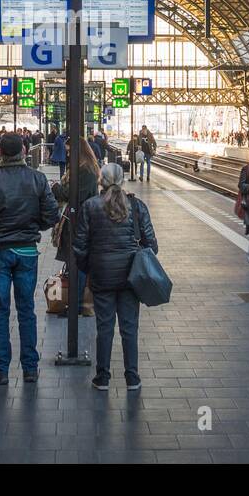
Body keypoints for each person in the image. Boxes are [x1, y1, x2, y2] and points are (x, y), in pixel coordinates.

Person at [0, 133, 59, 385]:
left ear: (0, 153)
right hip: (27, 251)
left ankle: (1, 370)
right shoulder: (38, 179)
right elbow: (52, 216)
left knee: (0, 311)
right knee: (27, 310)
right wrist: (32, 227)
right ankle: (30, 369)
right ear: (25, 151)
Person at [74, 162, 158, 391]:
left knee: (104, 328)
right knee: (129, 329)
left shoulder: (90, 206)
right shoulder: (137, 206)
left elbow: (79, 246)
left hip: (102, 276)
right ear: (122, 180)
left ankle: (102, 377)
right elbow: (152, 245)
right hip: (131, 277)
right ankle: (132, 377)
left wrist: (90, 268)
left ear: (101, 180)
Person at [52, 140, 100, 310]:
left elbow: (72, 195)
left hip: (80, 222)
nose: (66, 154)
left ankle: (78, 303)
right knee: (75, 262)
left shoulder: (85, 171)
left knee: (77, 262)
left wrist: (56, 188)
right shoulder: (82, 168)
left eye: (69, 151)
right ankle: (76, 302)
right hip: (78, 220)